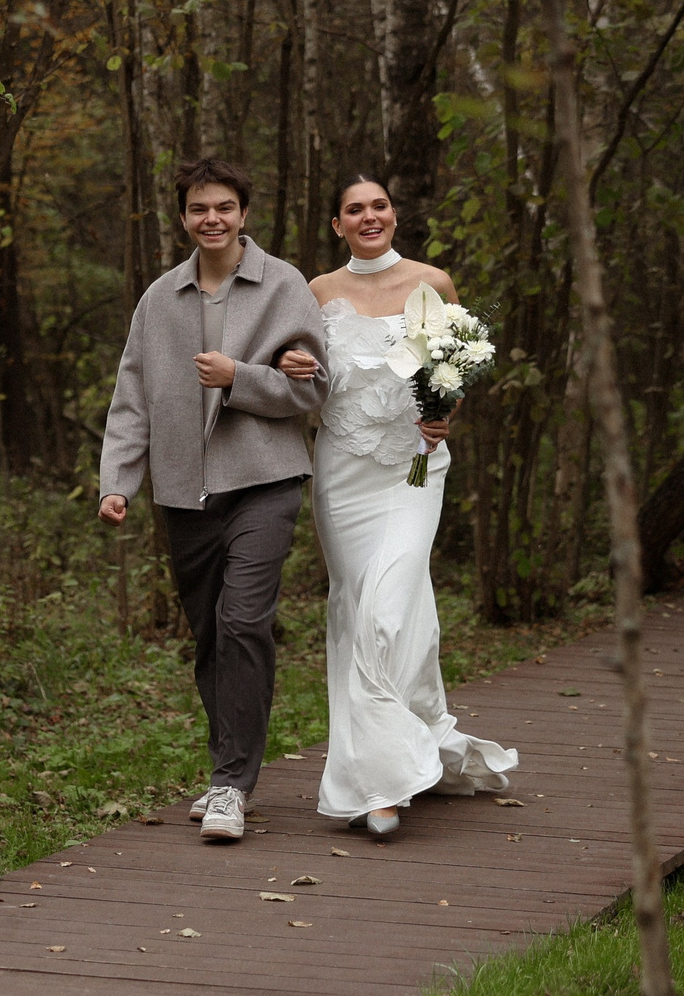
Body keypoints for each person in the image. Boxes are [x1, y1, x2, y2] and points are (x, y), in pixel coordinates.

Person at [279, 173, 516, 838]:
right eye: (354, 208)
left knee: (388, 608)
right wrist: (294, 365)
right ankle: (409, 746)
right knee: (364, 612)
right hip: (342, 473)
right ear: (337, 224)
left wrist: (446, 416)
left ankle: (377, 785)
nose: (368, 215)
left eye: (378, 204)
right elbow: (298, 368)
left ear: (393, 212)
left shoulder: (431, 282)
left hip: (414, 469)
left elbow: (454, 366)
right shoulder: (317, 292)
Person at [99, 158, 327, 843]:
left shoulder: (283, 285)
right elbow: (132, 397)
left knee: (243, 622)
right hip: (183, 493)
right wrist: (118, 482)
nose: (213, 218)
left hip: (264, 479)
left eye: (225, 206)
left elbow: (315, 390)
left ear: (243, 214)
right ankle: (228, 770)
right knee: (209, 636)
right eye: (200, 208)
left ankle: (231, 782)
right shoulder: (160, 298)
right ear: (183, 217)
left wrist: (240, 379)